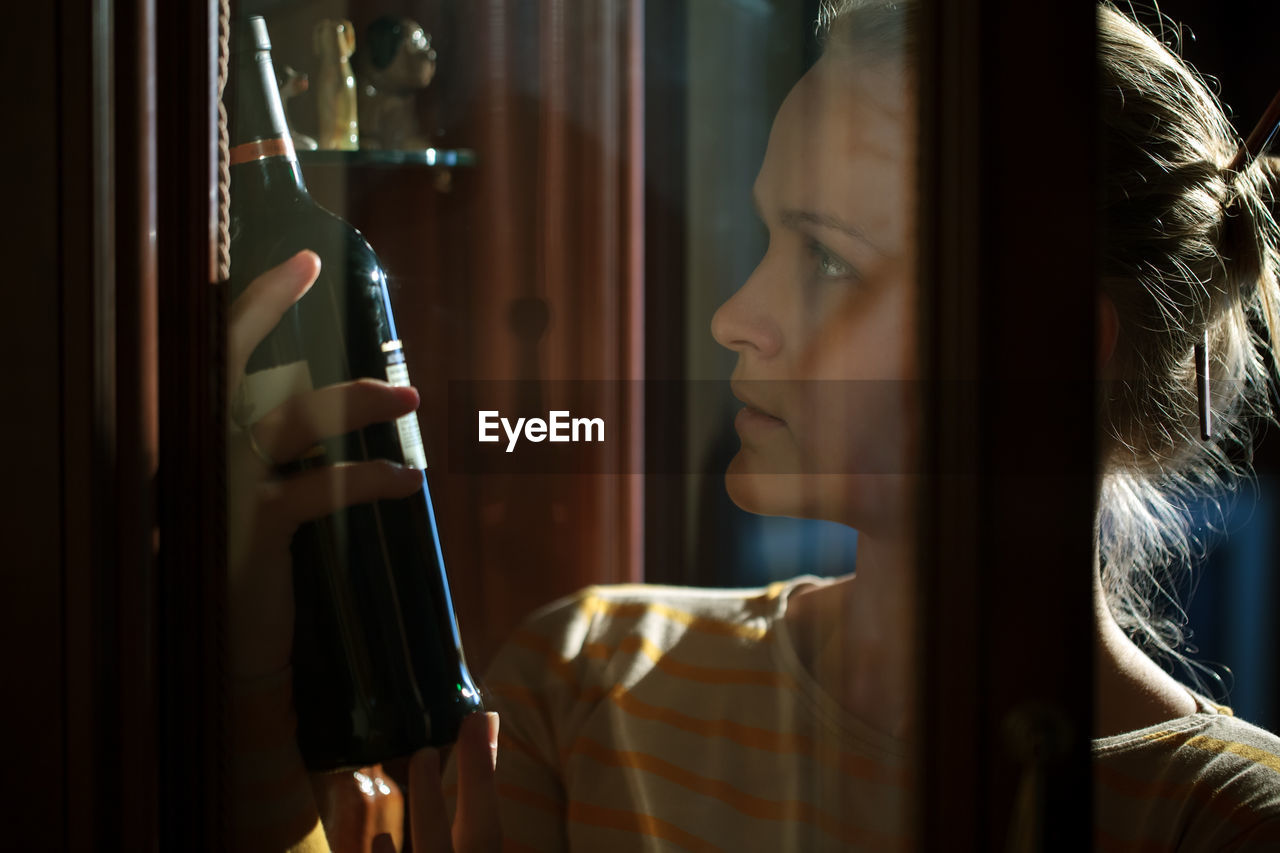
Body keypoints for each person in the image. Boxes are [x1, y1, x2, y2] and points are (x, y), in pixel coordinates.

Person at [229, 1, 1280, 850]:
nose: (734, 316)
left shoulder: (1220, 819)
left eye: (824, 257)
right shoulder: (593, 686)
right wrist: (247, 688)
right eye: (767, 235)